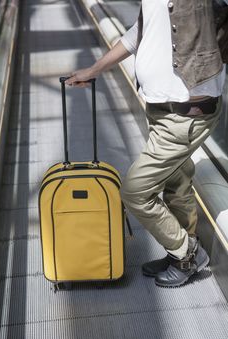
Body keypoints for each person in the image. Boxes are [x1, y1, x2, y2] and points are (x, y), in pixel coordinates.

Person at [65, 0, 228, 287]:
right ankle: (178, 254)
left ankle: (188, 254)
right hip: (159, 108)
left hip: (186, 114)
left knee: (135, 191)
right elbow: (139, 31)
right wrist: (94, 69)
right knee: (176, 186)